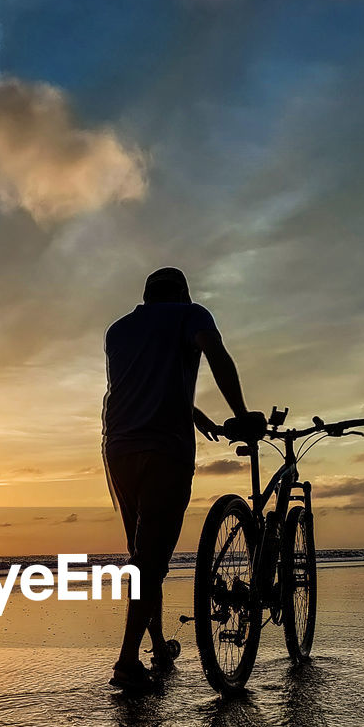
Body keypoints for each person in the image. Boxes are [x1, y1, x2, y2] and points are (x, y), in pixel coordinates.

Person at [102, 266, 264, 691]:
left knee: (143, 554)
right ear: (182, 295)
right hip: (164, 449)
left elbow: (139, 387)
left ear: (147, 296)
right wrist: (242, 415)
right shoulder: (190, 314)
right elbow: (216, 354)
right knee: (151, 558)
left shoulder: (118, 331)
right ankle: (125, 663)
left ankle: (156, 645)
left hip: (117, 446)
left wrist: (195, 414)